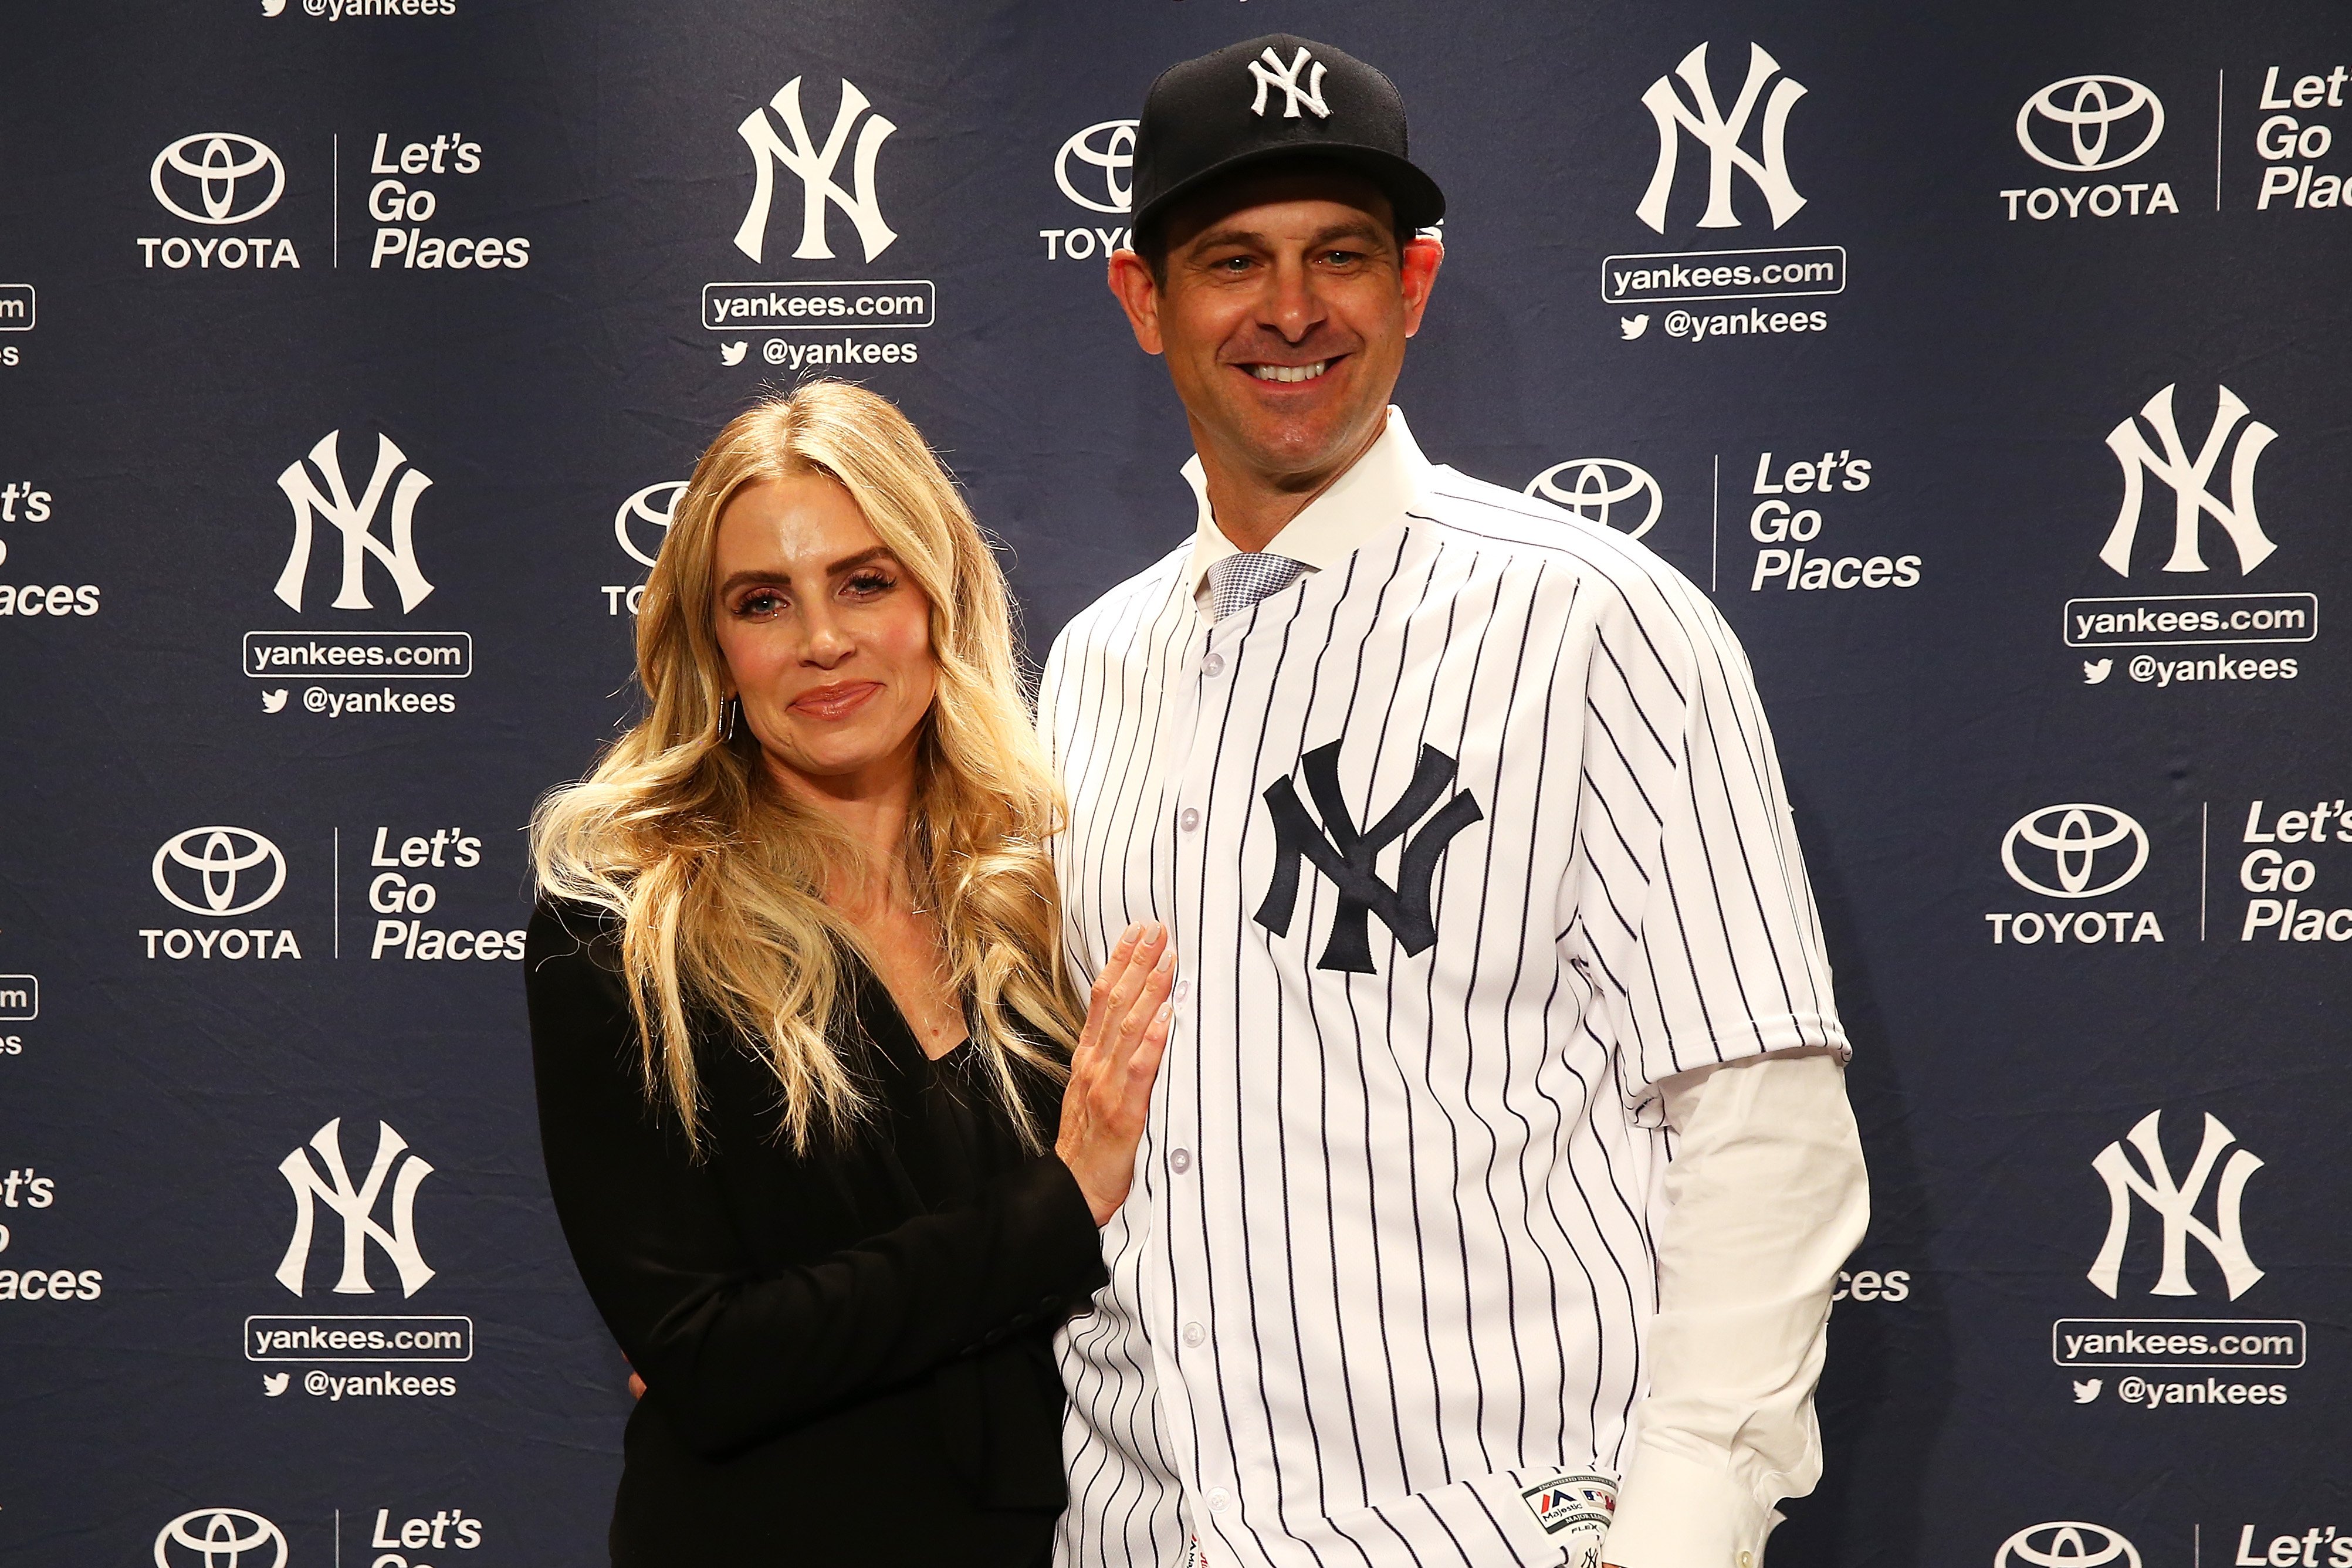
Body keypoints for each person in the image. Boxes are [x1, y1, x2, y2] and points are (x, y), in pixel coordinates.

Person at [1038, 35, 1870, 1568]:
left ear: (1411, 286)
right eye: (1233, 259)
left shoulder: (1600, 623)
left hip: (1490, 1531)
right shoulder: (1093, 664)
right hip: (1138, 1532)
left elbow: (1761, 1127)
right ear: (1142, 297)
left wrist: (1678, 1543)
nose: (1292, 310)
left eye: (1339, 255)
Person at [524, 381, 1176, 1567]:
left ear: (939, 596)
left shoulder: (1048, 890)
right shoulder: (627, 929)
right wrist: (1054, 1201)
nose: (822, 638)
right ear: (715, 647)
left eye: (864, 580)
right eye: (763, 601)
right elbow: (710, 1358)